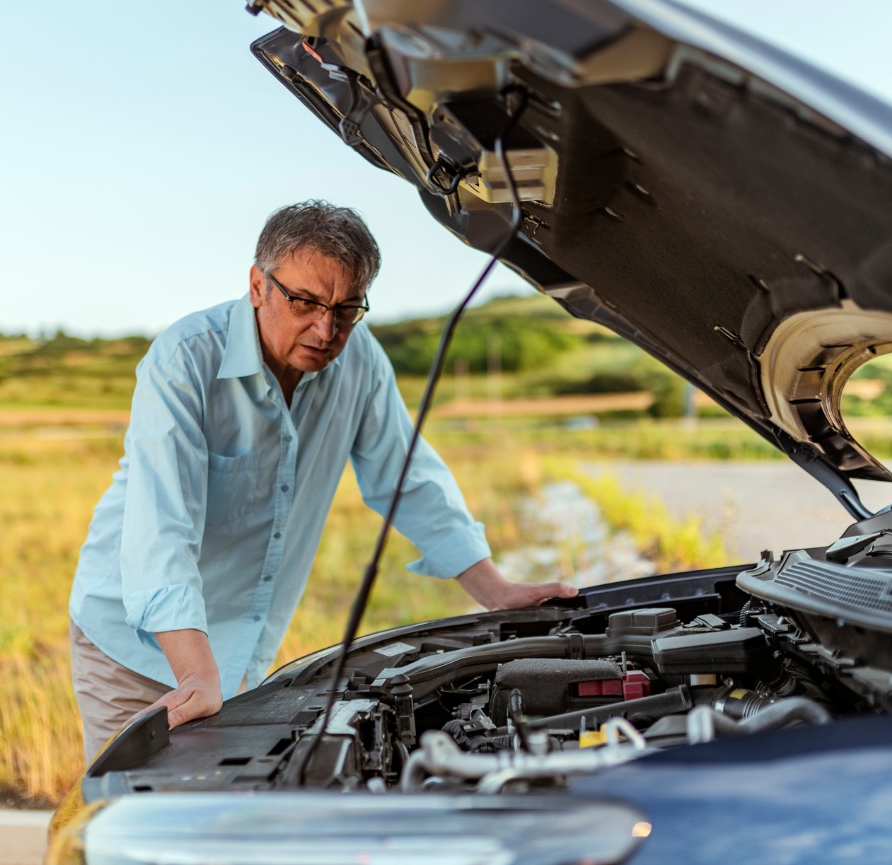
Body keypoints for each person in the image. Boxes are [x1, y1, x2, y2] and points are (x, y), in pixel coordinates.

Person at [68, 200, 576, 762]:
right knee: (132, 830)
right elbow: (162, 528)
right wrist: (195, 673)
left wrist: (497, 591)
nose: (326, 329)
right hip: (131, 646)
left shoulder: (360, 363)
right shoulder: (184, 361)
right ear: (258, 285)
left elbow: (408, 477)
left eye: (347, 308)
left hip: (234, 660)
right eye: (305, 302)